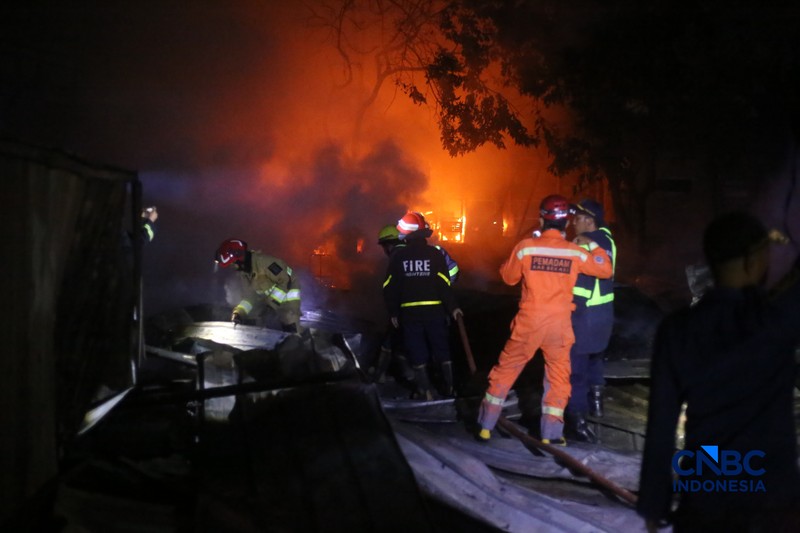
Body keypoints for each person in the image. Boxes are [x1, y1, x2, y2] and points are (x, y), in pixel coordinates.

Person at [637, 211, 800, 532]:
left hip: (705, 498)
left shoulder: (677, 330)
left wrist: (653, 506)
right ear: (753, 260)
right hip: (772, 504)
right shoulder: (775, 321)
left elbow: (661, 427)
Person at [476, 194, 613, 444]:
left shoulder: (527, 247)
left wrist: (520, 253)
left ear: (541, 219)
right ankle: (551, 435)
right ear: (567, 223)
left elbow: (508, 278)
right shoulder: (574, 251)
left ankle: (486, 426)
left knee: (505, 373)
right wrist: (592, 245)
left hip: (529, 323)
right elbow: (605, 269)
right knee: (558, 379)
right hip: (559, 326)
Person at [383, 212, 463, 400]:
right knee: (441, 347)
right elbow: (444, 284)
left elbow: (390, 287)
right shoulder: (434, 254)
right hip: (435, 312)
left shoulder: (399, 257)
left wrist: (393, 312)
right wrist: (453, 307)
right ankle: (450, 387)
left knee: (416, 350)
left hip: (409, 314)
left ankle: (424, 390)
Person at [564, 199, 616, 443]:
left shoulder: (587, 245)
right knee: (596, 358)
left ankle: (578, 421)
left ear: (589, 220)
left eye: (578, 218)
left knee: (576, 370)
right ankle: (597, 406)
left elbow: (581, 282)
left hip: (584, 316)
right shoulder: (607, 240)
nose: (573, 222)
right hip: (604, 314)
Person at [214, 238, 302, 333]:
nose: (232, 266)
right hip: (270, 299)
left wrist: (271, 306)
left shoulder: (264, 262)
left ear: (239, 258)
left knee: (288, 319)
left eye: (232, 263)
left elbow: (285, 280)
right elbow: (249, 298)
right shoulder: (244, 273)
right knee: (257, 318)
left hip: (287, 295)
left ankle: (298, 341)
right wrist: (239, 313)